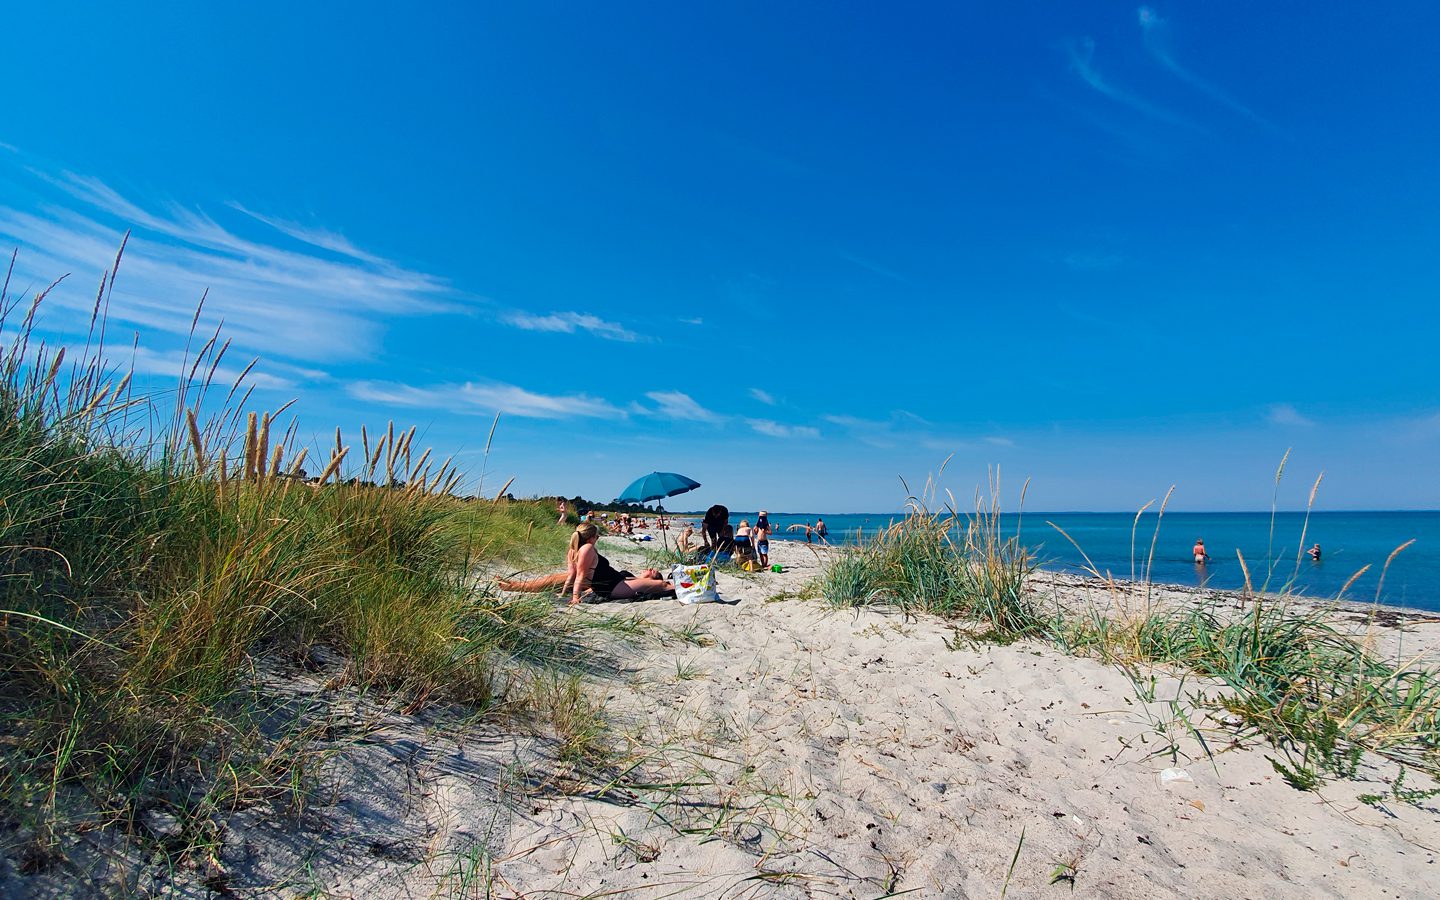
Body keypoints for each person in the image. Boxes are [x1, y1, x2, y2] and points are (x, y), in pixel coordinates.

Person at [498, 524, 672, 604]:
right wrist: (574, 596)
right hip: (611, 585)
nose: (598, 539)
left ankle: (513, 586)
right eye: (597, 536)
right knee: (550, 580)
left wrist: (570, 592)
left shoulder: (575, 549)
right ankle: (513, 585)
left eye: (654, 571)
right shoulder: (587, 548)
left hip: (610, 583)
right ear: (590, 538)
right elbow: (580, 576)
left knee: (550, 580)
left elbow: (578, 576)